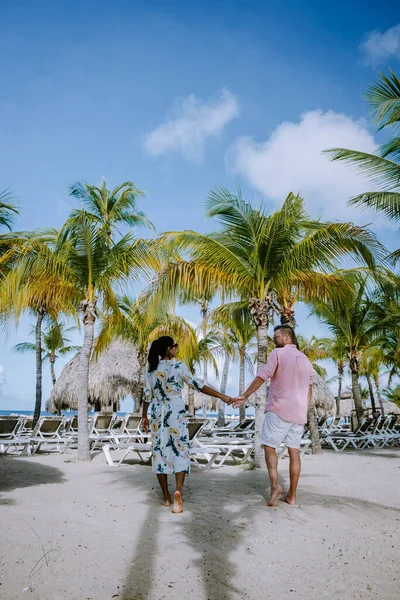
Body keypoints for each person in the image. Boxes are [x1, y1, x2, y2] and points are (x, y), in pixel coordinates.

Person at [142, 335, 232, 514]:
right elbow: (198, 385)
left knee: (159, 453)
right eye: (174, 346)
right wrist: (221, 396)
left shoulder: (151, 370)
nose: (176, 349)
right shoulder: (178, 366)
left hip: (158, 413)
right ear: (169, 349)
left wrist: (144, 416)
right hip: (176, 411)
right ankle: (178, 493)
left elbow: (146, 396)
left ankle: (167, 498)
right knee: (180, 450)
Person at [233, 325, 313, 507]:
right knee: (294, 452)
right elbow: (309, 389)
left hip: (279, 409)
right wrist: (304, 410)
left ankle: (275, 486)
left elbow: (263, 376)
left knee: (269, 446)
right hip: (299, 414)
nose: (273, 340)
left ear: (286, 337)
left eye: (276, 337)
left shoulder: (278, 354)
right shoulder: (306, 359)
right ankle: (292, 496)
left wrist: (245, 395)